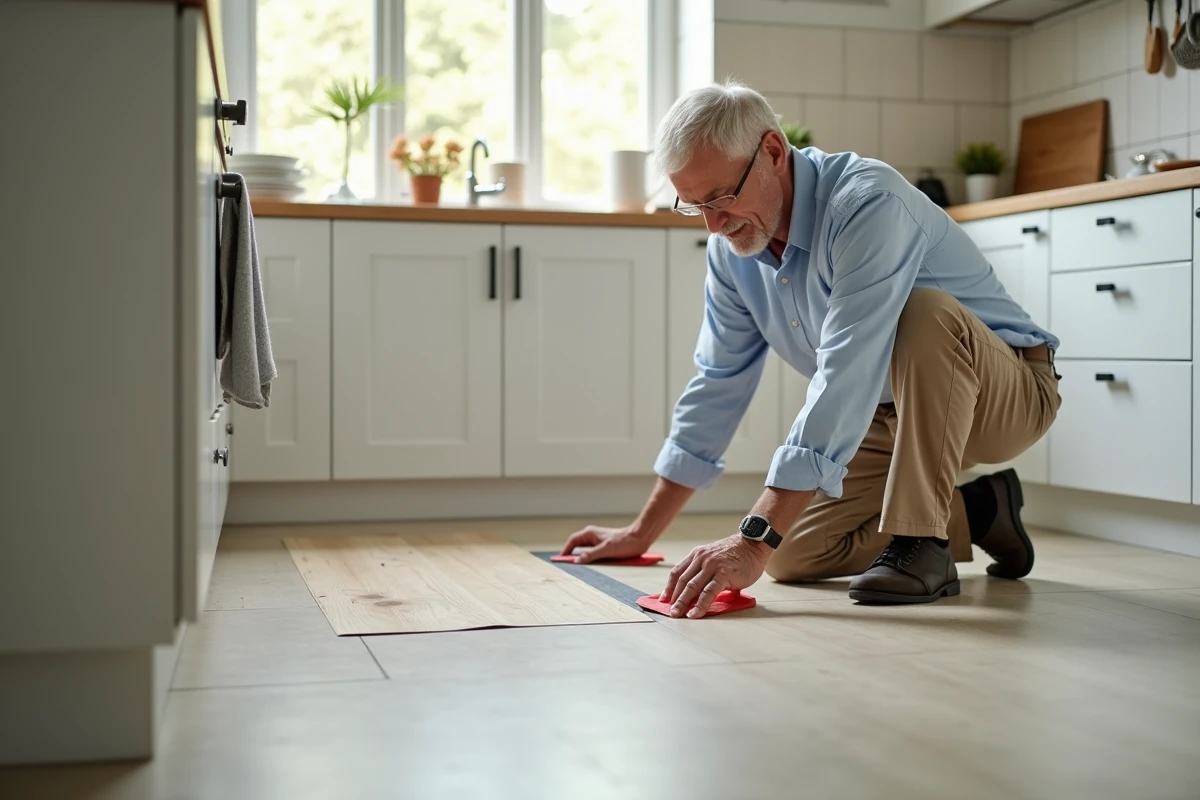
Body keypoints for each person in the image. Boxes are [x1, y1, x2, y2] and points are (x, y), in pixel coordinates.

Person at [559, 80, 1062, 615]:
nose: (713, 223)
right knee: (793, 552)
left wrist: (751, 540)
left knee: (923, 313)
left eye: (721, 197)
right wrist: (642, 532)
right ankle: (982, 511)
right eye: (694, 204)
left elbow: (847, 369)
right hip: (887, 411)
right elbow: (717, 381)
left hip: (1003, 396)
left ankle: (924, 544)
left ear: (773, 152)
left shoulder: (866, 203)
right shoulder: (732, 253)